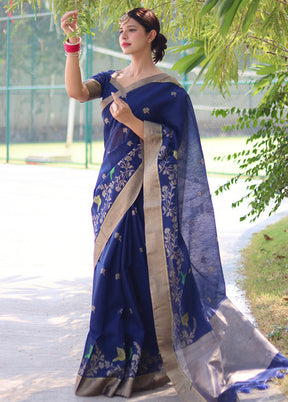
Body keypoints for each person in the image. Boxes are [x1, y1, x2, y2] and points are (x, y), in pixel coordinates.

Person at [61, 7, 288, 401]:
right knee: (110, 274)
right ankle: (118, 366)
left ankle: (157, 363)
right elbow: (77, 92)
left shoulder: (169, 90)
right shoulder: (111, 80)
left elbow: (176, 147)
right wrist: (72, 46)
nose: (124, 35)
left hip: (148, 200)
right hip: (109, 194)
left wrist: (133, 121)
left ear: (151, 36)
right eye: (121, 30)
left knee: (146, 273)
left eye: (132, 30)